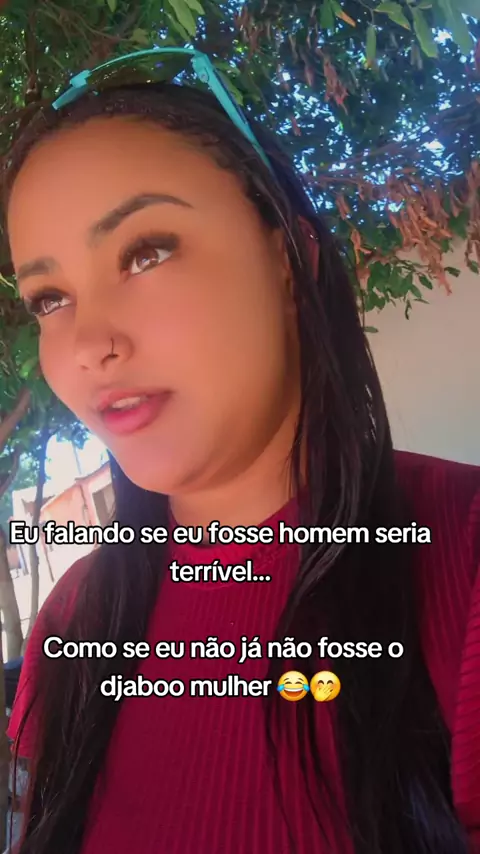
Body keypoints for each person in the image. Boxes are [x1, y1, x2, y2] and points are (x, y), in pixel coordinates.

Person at [2, 51, 480, 854]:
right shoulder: (72, 627)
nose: (87, 343)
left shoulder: (460, 558)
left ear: (292, 261)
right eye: (49, 298)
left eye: (146, 252)